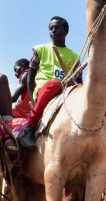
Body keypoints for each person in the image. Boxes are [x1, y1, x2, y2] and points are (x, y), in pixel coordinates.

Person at [21, 16, 81, 148]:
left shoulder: (75, 57)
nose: (53, 30)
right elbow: (30, 78)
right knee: (55, 84)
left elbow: (80, 85)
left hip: (66, 93)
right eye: (51, 28)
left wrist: (74, 84)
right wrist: (33, 99)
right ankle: (29, 127)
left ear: (66, 31)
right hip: (45, 89)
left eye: (57, 27)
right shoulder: (39, 49)